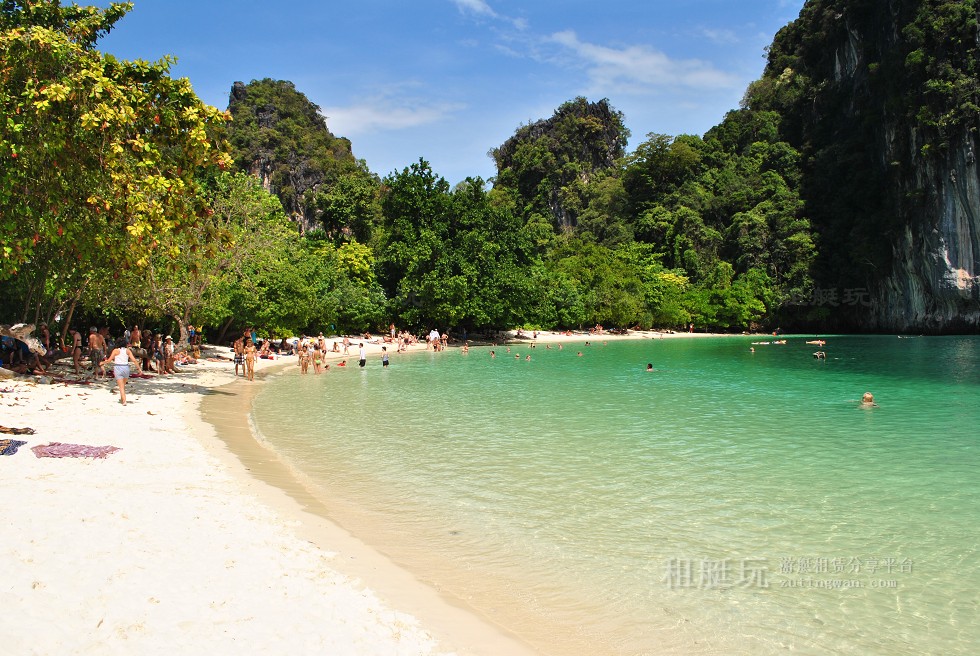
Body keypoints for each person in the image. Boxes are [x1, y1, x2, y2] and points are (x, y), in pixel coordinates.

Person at [102, 337, 141, 405]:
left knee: (121, 387)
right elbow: (134, 360)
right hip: (126, 368)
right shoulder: (128, 351)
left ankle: (124, 401)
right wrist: (139, 369)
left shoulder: (115, 350)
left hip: (118, 367)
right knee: (123, 385)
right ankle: (122, 398)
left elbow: (109, 360)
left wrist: (102, 363)